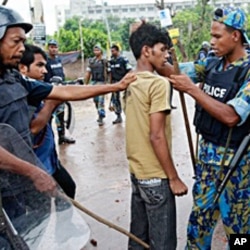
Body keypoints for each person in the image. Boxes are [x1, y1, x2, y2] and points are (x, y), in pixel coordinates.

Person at [0, 5, 136, 247]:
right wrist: (34, 172)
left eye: (23, 41)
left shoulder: (13, 78)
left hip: (18, 188)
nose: (22, 48)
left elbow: (64, 90)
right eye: (15, 41)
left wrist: (114, 87)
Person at [158, 6, 250, 249]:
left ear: (236, 36)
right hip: (207, 166)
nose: (212, 41)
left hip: (237, 170)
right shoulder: (211, 64)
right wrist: (157, 52)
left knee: (240, 233)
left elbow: (231, 116)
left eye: (217, 36)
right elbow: (175, 73)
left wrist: (192, 89)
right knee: (198, 226)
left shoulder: (248, 70)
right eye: (211, 35)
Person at [125, 23, 188, 250]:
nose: (167, 56)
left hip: (137, 172)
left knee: (139, 239)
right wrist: (173, 177)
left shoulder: (129, 79)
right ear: (146, 50)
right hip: (156, 176)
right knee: (163, 244)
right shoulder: (158, 84)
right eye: (163, 49)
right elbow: (156, 136)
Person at [18, 44, 76, 199]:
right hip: (35, 167)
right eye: (39, 66)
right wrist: (51, 103)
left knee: (69, 189)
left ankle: (65, 223)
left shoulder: (41, 89)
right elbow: (34, 129)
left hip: (50, 162)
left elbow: (70, 92)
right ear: (23, 68)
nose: (44, 70)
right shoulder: (22, 94)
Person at [44, 39, 75, 145]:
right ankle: (46, 139)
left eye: (55, 47)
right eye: (51, 47)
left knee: (60, 116)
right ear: (48, 48)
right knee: (48, 117)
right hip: (50, 93)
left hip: (60, 92)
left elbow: (62, 75)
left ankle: (61, 137)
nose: (53, 49)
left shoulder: (58, 60)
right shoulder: (46, 61)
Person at [84, 45, 108, 126]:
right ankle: (99, 113)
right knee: (96, 100)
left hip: (101, 83)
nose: (96, 52)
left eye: (97, 50)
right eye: (94, 50)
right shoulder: (91, 61)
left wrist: (108, 83)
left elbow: (108, 72)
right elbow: (88, 73)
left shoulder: (104, 61)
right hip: (94, 82)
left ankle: (101, 117)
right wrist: (85, 84)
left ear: (101, 51)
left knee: (101, 100)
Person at [108, 44, 132, 124]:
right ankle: (118, 116)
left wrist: (127, 81)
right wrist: (110, 84)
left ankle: (129, 116)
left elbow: (129, 70)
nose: (112, 52)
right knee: (115, 100)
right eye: (111, 51)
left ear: (117, 51)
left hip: (124, 82)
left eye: (113, 51)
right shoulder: (111, 61)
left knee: (125, 99)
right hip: (115, 83)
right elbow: (110, 73)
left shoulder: (123, 59)